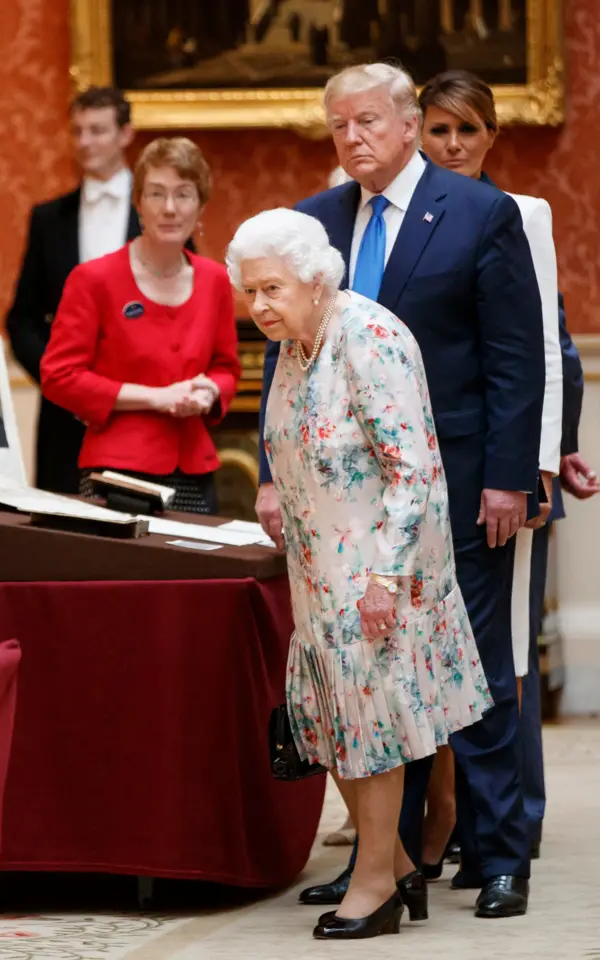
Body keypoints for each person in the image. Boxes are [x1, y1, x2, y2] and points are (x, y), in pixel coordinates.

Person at [256, 62, 546, 919]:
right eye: (339, 124)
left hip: (453, 490)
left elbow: (514, 358)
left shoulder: (480, 212)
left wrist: (503, 480)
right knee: (373, 687)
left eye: (369, 121)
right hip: (345, 509)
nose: (353, 137)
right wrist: (273, 477)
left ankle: (499, 856)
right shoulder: (315, 221)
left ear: (409, 124)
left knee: (472, 675)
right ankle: (389, 864)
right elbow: (286, 357)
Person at [227, 207, 492, 940]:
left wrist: (384, 577)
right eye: (250, 293)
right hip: (319, 571)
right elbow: (288, 444)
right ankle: (399, 860)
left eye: (272, 289)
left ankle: (376, 885)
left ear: (316, 279)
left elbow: (415, 471)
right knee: (329, 724)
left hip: (377, 568)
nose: (259, 307)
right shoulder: (293, 346)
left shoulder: (369, 337)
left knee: (371, 725)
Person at [417, 68, 598, 871]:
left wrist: (546, 457)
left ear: (492, 136)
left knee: (506, 664)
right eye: (439, 130)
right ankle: (435, 826)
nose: (453, 145)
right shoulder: (395, 220)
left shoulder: (517, 214)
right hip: (425, 478)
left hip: (507, 477)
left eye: (468, 131)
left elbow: (548, 352)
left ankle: (506, 832)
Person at [41, 137, 240, 514]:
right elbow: (58, 375)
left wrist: (210, 391)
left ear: (200, 206)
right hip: (116, 473)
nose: (169, 208)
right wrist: (154, 398)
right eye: (156, 194)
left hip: (194, 471)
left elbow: (227, 367)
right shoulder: (93, 279)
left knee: (198, 573)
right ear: (139, 205)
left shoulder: (215, 280)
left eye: (183, 194)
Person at [6, 87, 144, 494]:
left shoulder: (160, 212)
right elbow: (21, 319)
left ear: (125, 134)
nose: (85, 142)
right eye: (78, 131)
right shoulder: (48, 218)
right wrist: (60, 382)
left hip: (140, 411)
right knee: (63, 542)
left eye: (97, 130)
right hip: (62, 416)